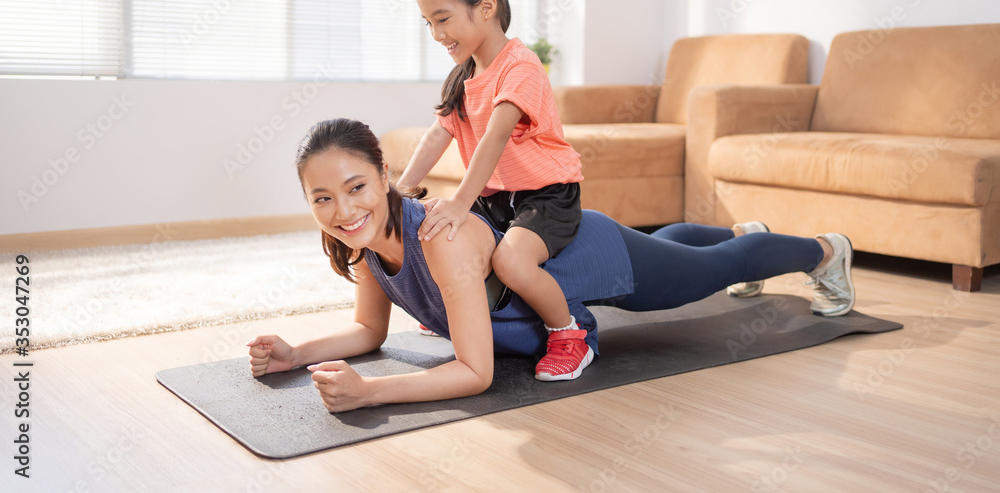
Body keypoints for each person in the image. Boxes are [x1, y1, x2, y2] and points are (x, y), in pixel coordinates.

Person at [246, 119, 856, 414]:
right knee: (678, 248)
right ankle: (739, 233)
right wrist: (296, 353)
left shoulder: (438, 236)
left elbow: (473, 371)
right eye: (322, 198)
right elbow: (369, 333)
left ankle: (825, 251)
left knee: (707, 273)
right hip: (577, 251)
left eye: (356, 187)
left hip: (589, 256)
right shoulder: (366, 246)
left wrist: (369, 392)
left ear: (385, 177)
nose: (343, 209)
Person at [395, 0, 589, 381]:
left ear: (486, 7)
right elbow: (437, 135)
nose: (436, 34)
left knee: (511, 263)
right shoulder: (463, 73)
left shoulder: (520, 66)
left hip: (547, 196)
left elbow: (495, 138)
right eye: (428, 23)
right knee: (437, 234)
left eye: (443, 19)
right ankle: (452, 310)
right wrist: (402, 188)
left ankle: (568, 335)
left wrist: (462, 201)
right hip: (496, 196)